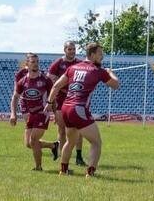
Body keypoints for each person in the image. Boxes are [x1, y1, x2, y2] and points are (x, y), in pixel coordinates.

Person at [48, 42, 120, 177]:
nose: (102, 56)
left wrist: (49, 102)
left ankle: (63, 171)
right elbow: (116, 85)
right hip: (79, 109)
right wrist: (111, 73)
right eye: (100, 54)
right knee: (96, 142)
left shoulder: (73, 68)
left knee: (70, 141)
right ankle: (90, 173)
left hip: (66, 108)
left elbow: (56, 86)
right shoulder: (99, 71)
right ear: (92, 55)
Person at [10, 53, 59, 170]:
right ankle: (53, 145)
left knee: (34, 139)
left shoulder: (45, 80)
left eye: (37, 61)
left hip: (42, 113)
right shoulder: (22, 81)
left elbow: (53, 98)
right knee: (28, 144)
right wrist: (13, 113)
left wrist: (55, 114)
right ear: (27, 64)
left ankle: (38, 167)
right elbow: (15, 97)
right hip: (31, 115)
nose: (36, 64)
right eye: (33, 62)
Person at [47, 41, 85, 167]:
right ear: (64, 50)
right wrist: (61, 86)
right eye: (69, 49)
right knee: (62, 130)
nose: (72, 51)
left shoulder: (80, 63)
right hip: (61, 100)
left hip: (76, 99)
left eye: (73, 49)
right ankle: (64, 156)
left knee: (79, 129)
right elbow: (50, 77)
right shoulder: (58, 63)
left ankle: (79, 156)